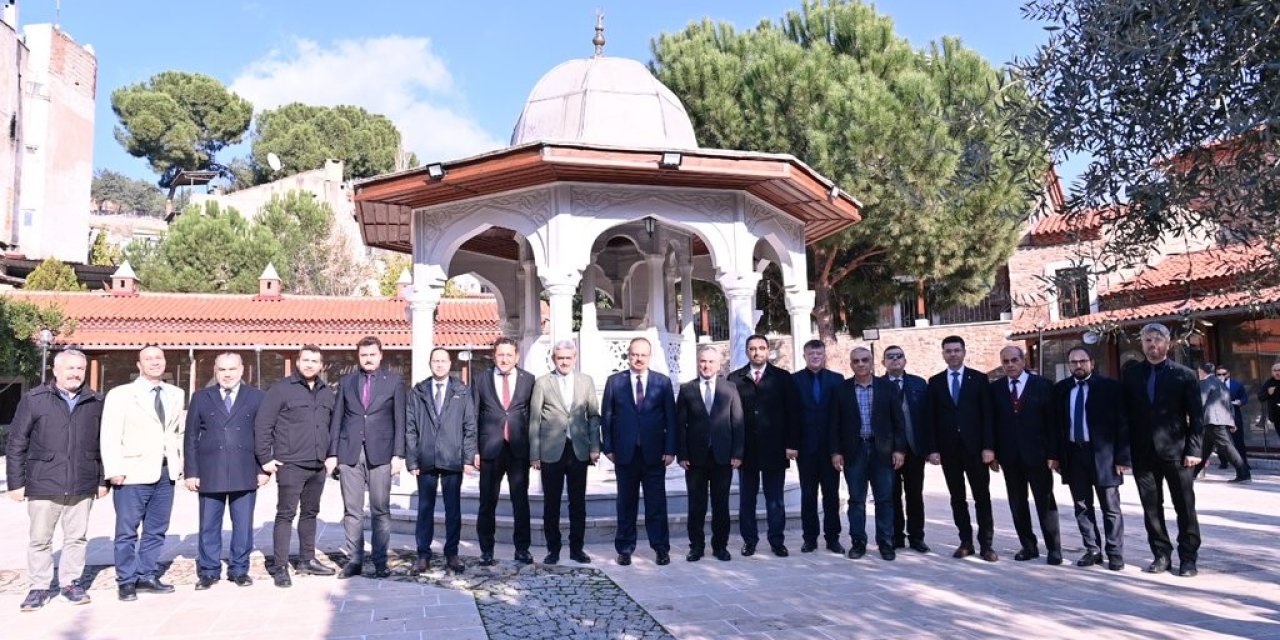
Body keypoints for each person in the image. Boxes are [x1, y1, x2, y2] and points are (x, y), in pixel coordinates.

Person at [7, 350, 107, 611]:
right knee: (40, 539)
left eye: (80, 369)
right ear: (56, 370)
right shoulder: (35, 399)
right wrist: (16, 482)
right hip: (43, 483)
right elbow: (17, 442)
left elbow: (102, 444)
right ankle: (39, 587)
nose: (75, 373)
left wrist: (101, 479)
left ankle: (71, 583)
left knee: (76, 538)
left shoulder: (95, 401)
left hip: (82, 482)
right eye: (70, 368)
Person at [101, 345, 186, 601]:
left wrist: (179, 462)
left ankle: (147, 573)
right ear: (139, 365)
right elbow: (110, 434)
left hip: (165, 471)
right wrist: (114, 469)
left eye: (158, 358)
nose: (154, 363)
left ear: (165, 362)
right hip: (131, 472)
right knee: (127, 530)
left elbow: (176, 432)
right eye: (148, 359)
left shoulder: (176, 393)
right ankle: (126, 580)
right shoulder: (121, 395)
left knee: (156, 528)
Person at [1120, 323, 1203, 578]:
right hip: (1143, 453)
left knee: (1185, 506)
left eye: (1157, 339)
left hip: (1177, 452)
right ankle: (1161, 554)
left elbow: (1197, 416)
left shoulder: (1184, 375)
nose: (1152, 344)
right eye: (1147, 340)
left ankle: (1188, 558)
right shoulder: (1131, 375)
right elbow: (1124, 417)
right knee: (1151, 507)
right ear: (1142, 344)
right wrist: (1124, 454)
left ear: (1168, 344)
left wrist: (1194, 450)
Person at [256, 345, 338, 588]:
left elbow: (333, 428)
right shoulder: (281, 390)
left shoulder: (327, 392)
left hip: (317, 464)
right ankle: (280, 566)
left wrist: (332, 455)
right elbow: (263, 425)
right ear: (298, 362)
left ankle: (306, 559)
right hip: (290, 463)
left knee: (311, 513)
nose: (310, 364)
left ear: (321, 365)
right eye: (306, 360)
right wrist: (265, 459)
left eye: (315, 361)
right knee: (285, 514)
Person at [184, 353, 268, 590]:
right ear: (215, 371)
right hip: (210, 470)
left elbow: (264, 435)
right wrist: (191, 472)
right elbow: (190, 437)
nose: (228, 374)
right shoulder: (201, 397)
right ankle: (209, 571)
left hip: (245, 469)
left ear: (242, 370)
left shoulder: (257, 397)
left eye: (232, 369)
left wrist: (263, 468)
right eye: (222, 369)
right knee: (209, 525)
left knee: (243, 525)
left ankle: (239, 569)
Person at [327, 336, 406, 579]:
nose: (368, 359)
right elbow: (337, 419)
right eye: (364, 355)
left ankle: (380, 560)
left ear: (381, 355)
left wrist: (398, 455)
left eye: (372, 354)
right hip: (349, 453)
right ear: (358, 357)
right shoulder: (347, 382)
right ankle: (355, 559)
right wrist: (332, 454)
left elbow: (400, 420)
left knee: (380, 509)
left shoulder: (393, 381)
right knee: (352, 510)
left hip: (381, 454)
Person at [1048, 346, 1129, 571]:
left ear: (1091, 363)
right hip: (1074, 454)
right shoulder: (1061, 390)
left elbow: (1123, 424)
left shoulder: (1110, 388)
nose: (1078, 366)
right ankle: (1092, 549)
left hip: (1105, 455)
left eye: (1082, 361)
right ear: (1069, 365)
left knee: (1110, 507)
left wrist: (1123, 457)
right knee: (1082, 506)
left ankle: (1115, 552)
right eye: (1074, 362)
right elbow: (1056, 426)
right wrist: (1055, 456)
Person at [601, 337, 677, 566]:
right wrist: (609, 447)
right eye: (635, 354)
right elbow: (607, 417)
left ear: (649, 356)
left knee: (656, 504)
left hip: (654, 453)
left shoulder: (662, 382)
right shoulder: (614, 382)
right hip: (625, 454)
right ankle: (624, 549)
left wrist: (670, 449)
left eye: (643, 355)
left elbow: (671, 419)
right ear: (628, 355)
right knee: (626, 504)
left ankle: (661, 548)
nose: (639, 358)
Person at [923, 335, 997, 562]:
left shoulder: (979, 379)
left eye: (956, 350)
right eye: (948, 351)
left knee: (981, 497)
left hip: (975, 449)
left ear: (964, 352)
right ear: (943, 353)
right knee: (957, 497)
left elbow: (988, 416)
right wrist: (932, 449)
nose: (953, 354)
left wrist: (989, 447)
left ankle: (986, 545)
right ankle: (966, 542)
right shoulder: (934, 382)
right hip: (949, 450)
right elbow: (930, 419)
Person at [829, 347, 906, 561]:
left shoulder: (887, 388)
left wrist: (899, 449)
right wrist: (836, 452)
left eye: (865, 360)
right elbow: (834, 425)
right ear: (851, 364)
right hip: (854, 451)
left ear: (872, 362)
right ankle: (858, 542)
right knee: (856, 500)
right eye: (856, 361)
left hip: (882, 450)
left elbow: (898, 422)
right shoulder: (841, 390)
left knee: (884, 499)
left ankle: (886, 542)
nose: (861, 364)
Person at [727, 334, 800, 557]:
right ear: (747, 352)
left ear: (768, 350)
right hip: (746, 450)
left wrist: (791, 444)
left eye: (761, 348)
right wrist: (733, 450)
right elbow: (728, 417)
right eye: (752, 348)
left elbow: (793, 414)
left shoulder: (783, 377)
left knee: (775, 498)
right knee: (747, 499)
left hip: (775, 448)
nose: (757, 352)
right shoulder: (735, 378)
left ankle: (777, 540)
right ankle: (749, 540)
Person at [529, 340, 600, 565]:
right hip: (551, 450)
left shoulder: (585, 381)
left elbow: (593, 415)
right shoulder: (542, 383)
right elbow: (534, 419)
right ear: (554, 359)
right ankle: (553, 549)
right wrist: (534, 453)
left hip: (578, 449)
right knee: (552, 502)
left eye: (569, 358)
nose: (565, 362)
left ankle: (577, 548)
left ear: (575, 358)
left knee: (577, 502)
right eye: (561, 358)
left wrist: (595, 447)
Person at [989, 346, 1063, 565]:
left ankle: (1054, 548)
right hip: (1009, 456)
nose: (1009, 365)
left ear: (1023, 361)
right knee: (1017, 503)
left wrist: (1053, 453)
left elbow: (1053, 423)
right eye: (1005, 361)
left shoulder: (1043, 385)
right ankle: (1028, 546)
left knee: (1045, 502)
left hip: (1038, 455)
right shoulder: (996, 389)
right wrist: (992, 452)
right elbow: (992, 423)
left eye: (1014, 360)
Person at [406, 347, 476, 574]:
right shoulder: (418, 392)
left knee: (452, 509)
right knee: (425, 509)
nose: (439, 365)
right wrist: (412, 460)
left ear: (450, 363)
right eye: (435, 360)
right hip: (426, 458)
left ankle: (452, 554)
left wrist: (467, 458)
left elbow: (469, 426)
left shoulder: (462, 391)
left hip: (452, 458)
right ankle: (423, 554)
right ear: (430, 363)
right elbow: (410, 428)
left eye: (443, 361)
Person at [676, 345, 744, 562]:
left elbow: (738, 423)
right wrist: (682, 454)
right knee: (696, 505)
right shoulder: (687, 389)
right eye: (702, 361)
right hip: (695, 458)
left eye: (711, 362)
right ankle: (696, 546)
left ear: (719, 364)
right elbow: (680, 425)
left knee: (720, 504)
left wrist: (737, 453)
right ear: (698, 363)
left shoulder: (730, 388)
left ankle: (720, 546)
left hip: (723, 456)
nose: (706, 365)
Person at [472, 336, 536, 566]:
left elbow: (533, 416)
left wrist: (535, 450)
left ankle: (522, 549)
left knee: (521, 502)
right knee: (487, 502)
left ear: (517, 357)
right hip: (490, 450)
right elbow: (473, 417)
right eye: (501, 355)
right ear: (494, 356)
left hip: (519, 450)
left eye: (509, 355)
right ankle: (486, 550)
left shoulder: (529, 381)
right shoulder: (480, 379)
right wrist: (474, 451)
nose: (505, 359)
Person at [792, 339, 846, 554]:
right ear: (804, 356)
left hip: (830, 449)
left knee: (831, 495)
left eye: (819, 354)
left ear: (824, 356)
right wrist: (792, 444)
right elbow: (792, 416)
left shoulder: (837, 380)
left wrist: (839, 449)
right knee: (808, 495)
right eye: (811, 354)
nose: (815, 357)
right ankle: (810, 538)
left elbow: (841, 416)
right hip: (805, 449)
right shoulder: (794, 380)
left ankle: (833, 538)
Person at [882, 345, 932, 554]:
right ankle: (896, 536)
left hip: (914, 449)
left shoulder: (919, 384)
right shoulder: (878, 385)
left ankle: (917, 537)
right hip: (888, 451)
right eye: (890, 357)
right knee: (892, 495)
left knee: (914, 495)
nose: (895, 360)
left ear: (905, 360)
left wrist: (931, 448)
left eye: (899, 356)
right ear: (884, 362)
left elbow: (929, 417)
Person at [1195, 362, 1250, 482]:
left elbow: (1201, 400)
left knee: (1226, 446)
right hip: (1218, 419)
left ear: (1203, 371)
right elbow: (1228, 403)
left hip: (1212, 419)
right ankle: (1192, 473)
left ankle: (1244, 473)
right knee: (1205, 448)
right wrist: (1231, 421)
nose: (1198, 374)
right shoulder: (1221, 383)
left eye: (1199, 372)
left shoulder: (1205, 382)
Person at [1215, 366, 1249, 470]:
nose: (1221, 376)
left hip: (1234, 415)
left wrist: (1240, 402)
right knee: (1221, 441)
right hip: (1219, 416)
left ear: (1228, 373)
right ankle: (1223, 462)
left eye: (1223, 374)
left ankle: (1244, 463)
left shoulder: (1236, 384)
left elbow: (1244, 397)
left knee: (1238, 440)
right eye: (1219, 374)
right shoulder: (1213, 385)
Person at [1259, 362, 1280, 441]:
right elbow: (1261, 397)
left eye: (1279, 370)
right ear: (1272, 372)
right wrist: (1268, 393)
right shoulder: (1269, 382)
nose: (1277, 372)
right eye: (1275, 370)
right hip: (1276, 417)